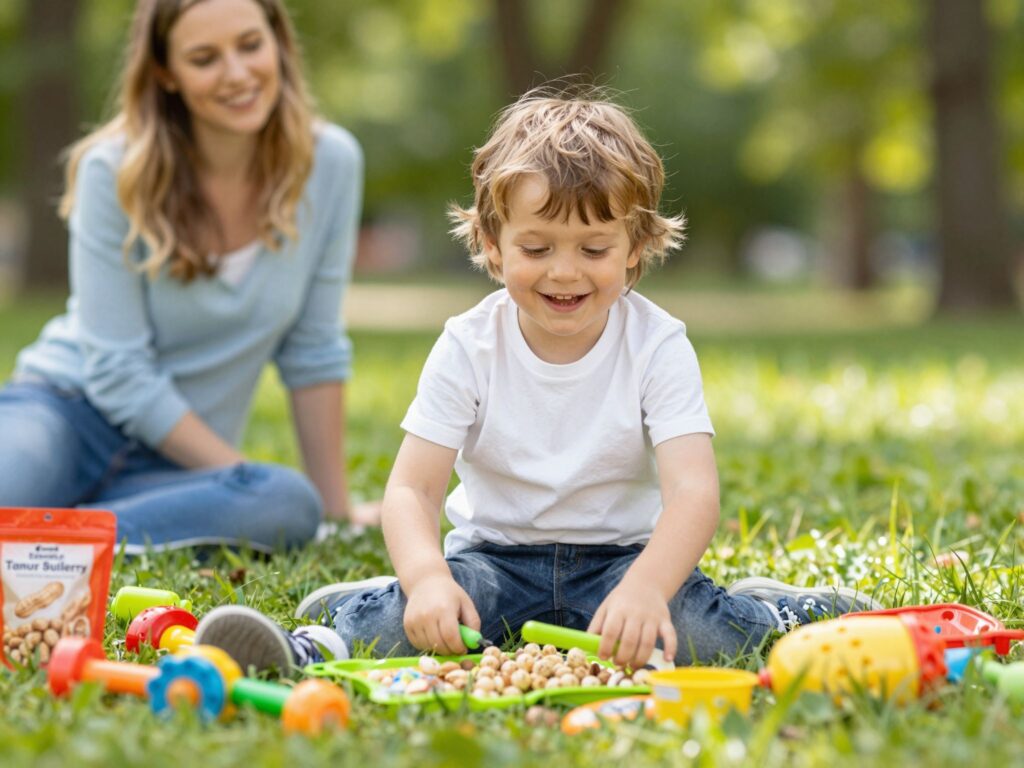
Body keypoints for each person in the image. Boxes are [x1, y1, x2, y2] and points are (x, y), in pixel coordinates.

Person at [193, 88, 881, 673]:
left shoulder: (657, 344)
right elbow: (412, 488)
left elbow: (694, 491)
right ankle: (322, 638)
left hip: (623, 562)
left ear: (636, 247)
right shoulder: (469, 344)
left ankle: (778, 612)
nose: (564, 272)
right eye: (536, 248)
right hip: (494, 560)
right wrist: (430, 578)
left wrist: (646, 588)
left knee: (695, 634)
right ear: (492, 246)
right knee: (412, 627)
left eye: (594, 249)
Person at [0, 0, 378, 554]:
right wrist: (239, 471)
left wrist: (335, 508)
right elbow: (117, 370)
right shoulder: (113, 170)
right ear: (165, 73)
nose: (237, 74)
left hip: (176, 463)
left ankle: (46, 536)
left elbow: (314, 350)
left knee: (287, 503)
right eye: (204, 58)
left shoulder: (331, 163)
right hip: (62, 413)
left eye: (250, 45)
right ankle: (43, 530)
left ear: (278, 42)